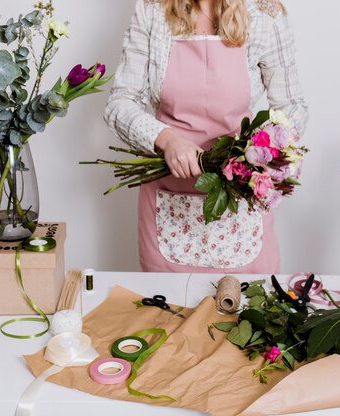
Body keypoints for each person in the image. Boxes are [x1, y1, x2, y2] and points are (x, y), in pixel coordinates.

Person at [104, 0, 308, 273]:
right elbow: (120, 103)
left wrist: (258, 153)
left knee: (246, 311)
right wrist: (167, 140)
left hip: (239, 199)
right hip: (168, 199)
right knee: (168, 313)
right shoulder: (153, 11)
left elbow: (291, 105)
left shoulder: (264, 15)